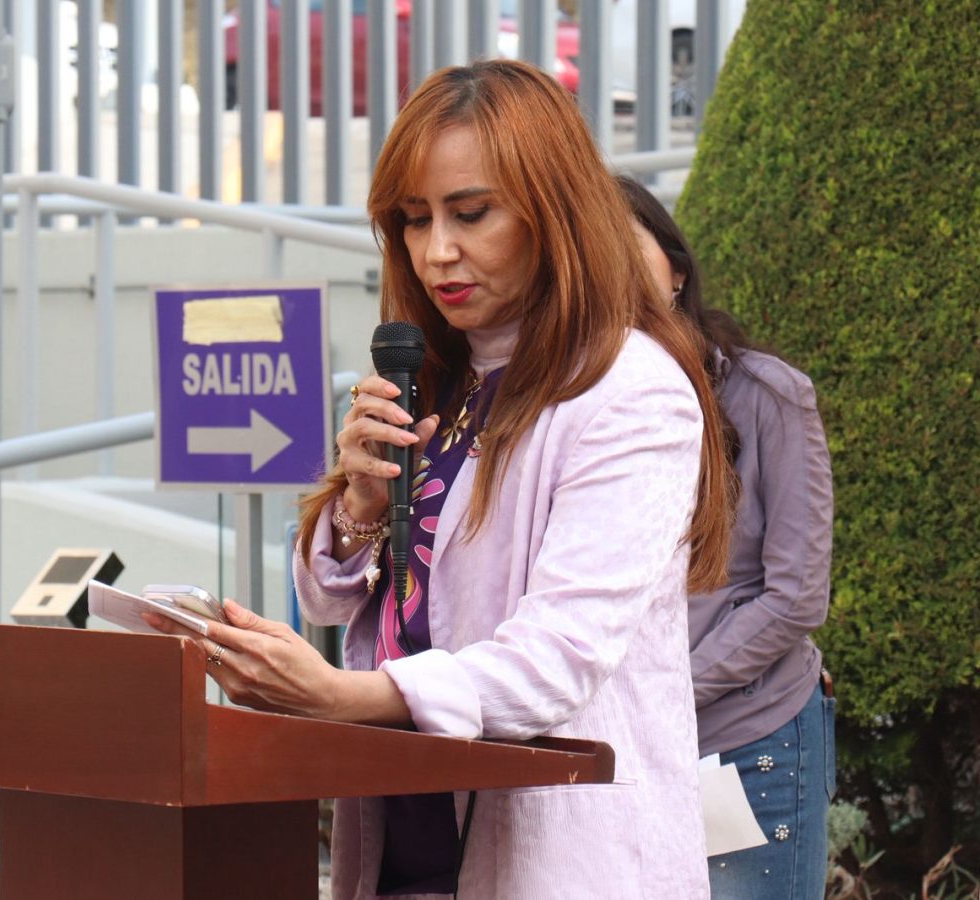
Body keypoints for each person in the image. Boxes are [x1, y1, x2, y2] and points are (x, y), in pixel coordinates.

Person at [146, 59, 736, 899]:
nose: (437, 252)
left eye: (471, 213)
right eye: (413, 220)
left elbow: (557, 657)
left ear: (554, 213)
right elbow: (335, 601)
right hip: (403, 841)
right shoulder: (438, 376)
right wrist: (358, 506)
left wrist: (348, 697)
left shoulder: (628, 390)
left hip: (560, 856)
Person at [617, 174, 836, 900]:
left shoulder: (766, 393)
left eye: (628, 245)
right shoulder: (567, 411)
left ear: (676, 268)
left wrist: (671, 689)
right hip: (618, 751)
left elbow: (797, 594)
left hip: (748, 737)